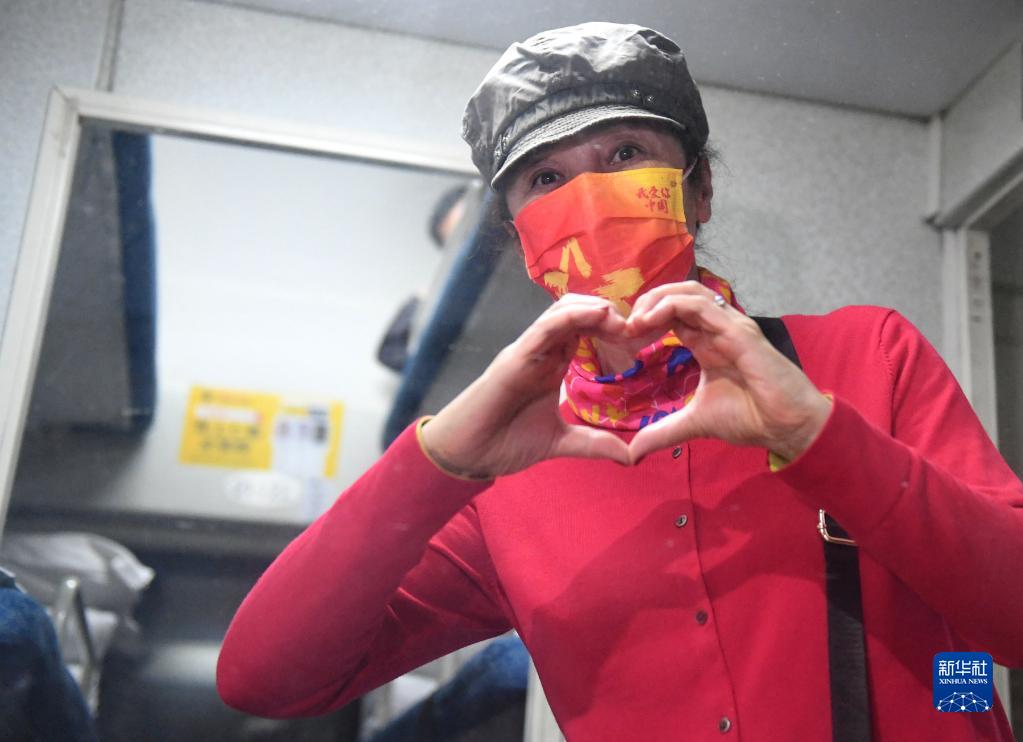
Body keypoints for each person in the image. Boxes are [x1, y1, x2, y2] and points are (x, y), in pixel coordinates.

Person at [217, 22, 1023, 741]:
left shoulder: (866, 353)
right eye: (545, 179)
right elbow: (265, 679)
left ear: (698, 190)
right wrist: (435, 461)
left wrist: (818, 436)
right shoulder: (505, 477)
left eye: (625, 155)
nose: (589, 200)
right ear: (521, 239)